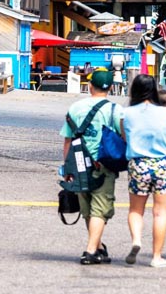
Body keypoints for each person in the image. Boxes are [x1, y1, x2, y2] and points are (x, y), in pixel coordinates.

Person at [59, 68, 124, 265]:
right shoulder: (115, 109)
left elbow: (68, 141)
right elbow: (124, 137)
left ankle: (98, 246)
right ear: (111, 88)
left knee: (88, 209)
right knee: (100, 209)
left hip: (78, 165)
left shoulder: (75, 108)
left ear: (90, 86)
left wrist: (67, 168)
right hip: (103, 164)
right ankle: (90, 251)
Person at [120, 74, 166, 268]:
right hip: (164, 164)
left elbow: (125, 137)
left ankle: (136, 240)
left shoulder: (127, 113)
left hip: (138, 163)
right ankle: (156, 257)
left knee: (135, 210)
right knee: (160, 213)